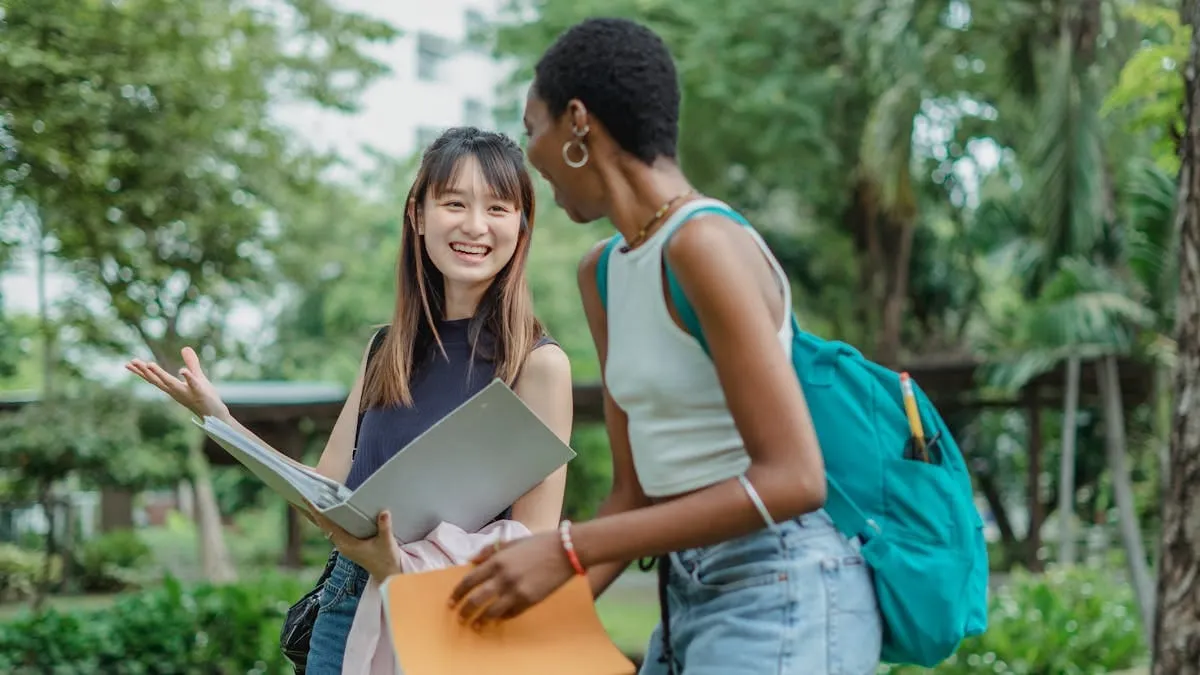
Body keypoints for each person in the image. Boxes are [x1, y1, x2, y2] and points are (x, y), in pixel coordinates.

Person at [448, 18, 882, 675]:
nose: (528, 152)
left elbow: (795, 478)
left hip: (782, 584)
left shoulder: (703, 244)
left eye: (531, 127)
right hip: (686, 595)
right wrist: (526, 629)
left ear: (577, 124)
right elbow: (634, 492)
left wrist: (565, 545)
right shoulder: (602, 273)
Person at [126, 126, 574, 674]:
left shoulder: (537, 364)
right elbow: (325, 496)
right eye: (454, 202)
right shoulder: (385, 350)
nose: (475, 226)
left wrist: (397, 568)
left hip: (458, 625)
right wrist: (219, 419)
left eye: (498, 208)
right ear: (418, 215)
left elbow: (532, 547)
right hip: (346, 606)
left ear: (522, 225)